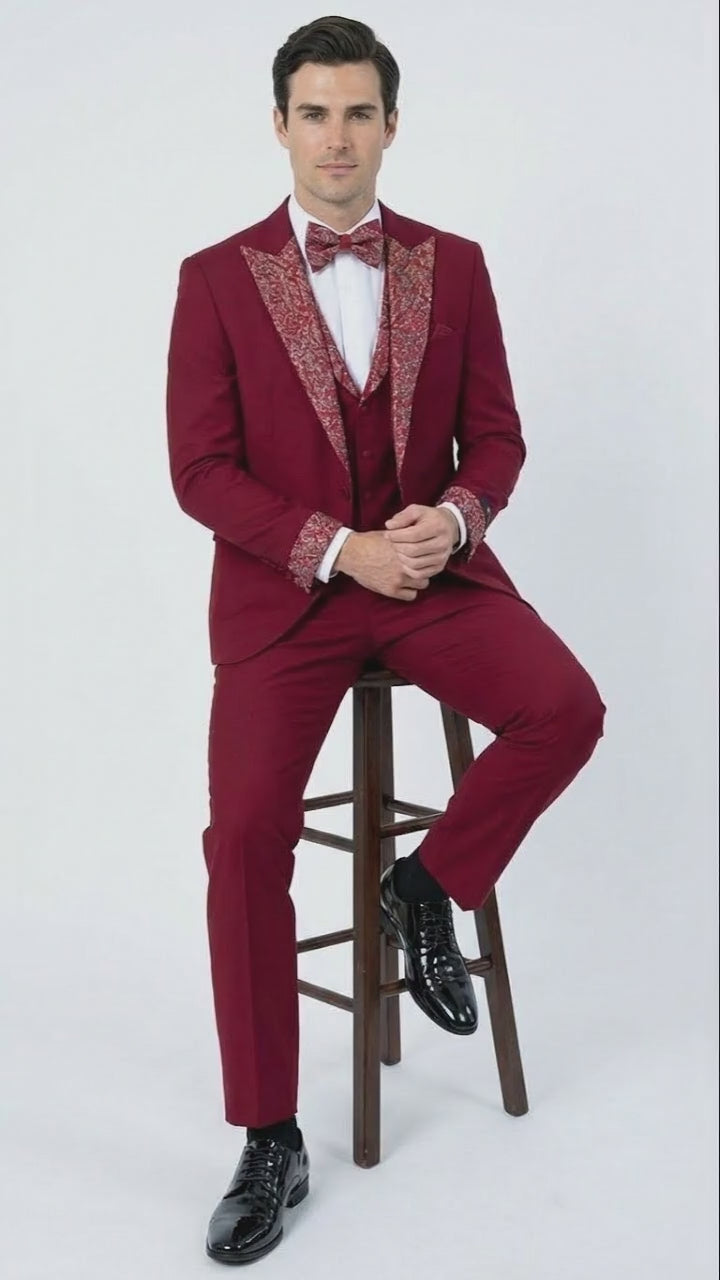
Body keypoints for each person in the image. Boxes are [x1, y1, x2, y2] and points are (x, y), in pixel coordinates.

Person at [165, 14, 607, 1267]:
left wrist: (454, 518)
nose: (337, 137)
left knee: (568, 707)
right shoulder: (214, 277)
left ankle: (425, 886)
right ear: (280, 125)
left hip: (430, 579)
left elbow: (498, 438)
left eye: (359, 112)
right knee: (243, 836)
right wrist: (334, 546)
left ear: (392, 125)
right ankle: (270, 1134)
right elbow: (200, 471)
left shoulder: (452, 266)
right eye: (314, 113)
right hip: (287, 598)